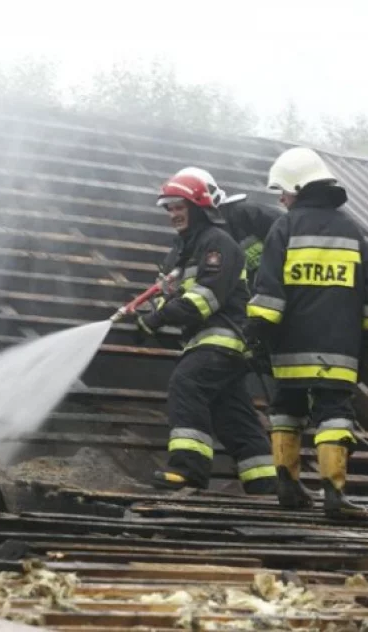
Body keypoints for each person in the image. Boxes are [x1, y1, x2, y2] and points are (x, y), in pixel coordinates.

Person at [244, 147, 368, 520]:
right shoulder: (351, 230)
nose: (280, 198)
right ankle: (335, 495)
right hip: (339, 349)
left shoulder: (285, 227)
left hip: (290, 346)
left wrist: (256, 332)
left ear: (297, 187)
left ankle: (287, 487)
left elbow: (269, 288)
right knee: (334, 414)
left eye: (283, 191)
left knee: (286, 408)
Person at [132, 168, 277, 495]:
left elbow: (205, 298)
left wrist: (159, 319)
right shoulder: (179, 253)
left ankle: (188, 470)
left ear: (198, 206)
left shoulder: (218, 243)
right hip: (204, 342)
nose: (173, 215)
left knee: (187, 382)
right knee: (232, 414)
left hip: (225, 338)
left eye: (179, 207)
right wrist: (147, 315)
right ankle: (265, 483)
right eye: (168, 208)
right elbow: (168, 294)